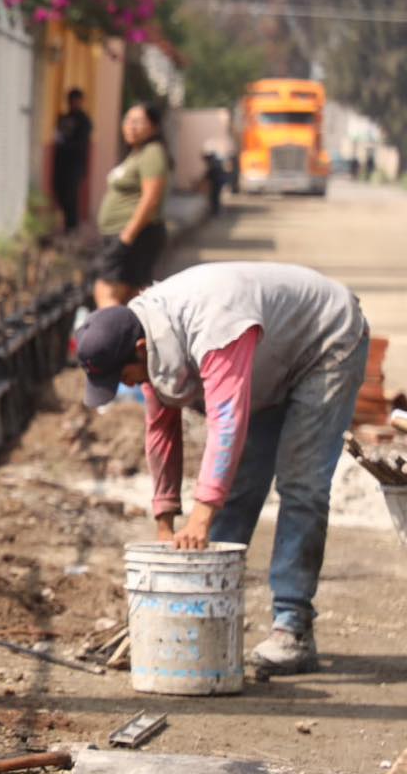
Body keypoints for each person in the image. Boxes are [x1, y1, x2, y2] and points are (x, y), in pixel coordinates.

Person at [74, 263, 369, 674]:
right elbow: (161, 430)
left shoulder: (214, 326)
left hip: (324, 343)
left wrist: (201, 512)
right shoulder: (146, 333)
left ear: (139, 349)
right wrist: (166, 519)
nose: (126, 386)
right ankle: (202, 610)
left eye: (124, 376)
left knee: (300, 482)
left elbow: (227, 420)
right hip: (269, 358)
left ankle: (293, 625)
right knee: (236, 490)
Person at [94, 103, 170, 308]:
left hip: (135, 235)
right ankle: (129, 338)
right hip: (127, 235)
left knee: (106, 291)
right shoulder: (137, 153)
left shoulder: (152, 152)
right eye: (128, 120)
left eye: (138, 122)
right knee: (131, 297)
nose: (131, 126)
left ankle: (115, 338)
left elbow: (151, 197)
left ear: (153, 127)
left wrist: (127, 236)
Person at [51, 87, 93, 233]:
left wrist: (66, 143)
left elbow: (81, 143)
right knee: (60, 192)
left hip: (75, 164)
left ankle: (72, 226)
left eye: (76, 101)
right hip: (61, 162)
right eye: (71, 101)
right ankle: (68, 225)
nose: (74, 103)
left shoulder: (85, 120)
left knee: (71, 194)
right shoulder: (64, 117)